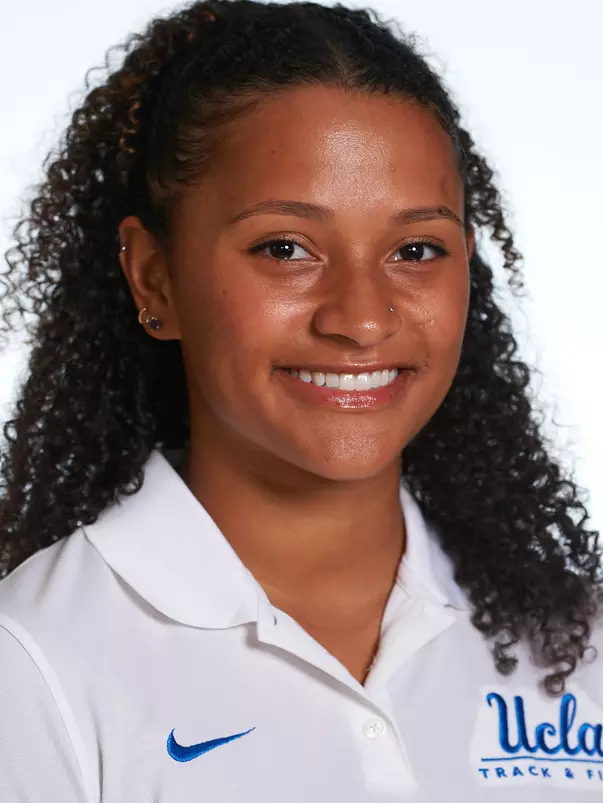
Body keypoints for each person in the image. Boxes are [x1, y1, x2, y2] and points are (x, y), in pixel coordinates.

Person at [0, 0, 601, 800]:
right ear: (155, 277)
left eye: (415, 249)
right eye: (284, 248)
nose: (358, 318)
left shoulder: (577, 642)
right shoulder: (33, 660)